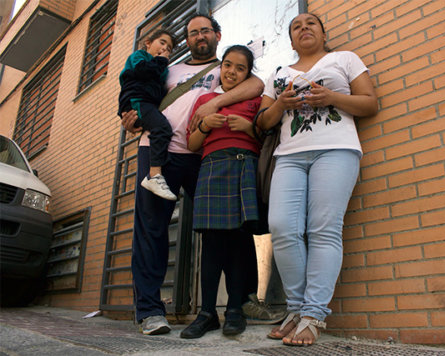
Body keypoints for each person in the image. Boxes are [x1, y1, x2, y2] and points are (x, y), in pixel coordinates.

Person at [121, 14, 264, 335]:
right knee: (151, 230)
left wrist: (215, 105)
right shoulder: (166, 69)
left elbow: (256, 84)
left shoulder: (225, 68)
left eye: (205, 31)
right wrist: (130, 116)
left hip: (204, 156)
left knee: (229, 229)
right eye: (192, 32)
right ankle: (149, 311)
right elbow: (140, 95)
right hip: (157, 154)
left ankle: (242, 301)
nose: (199, 36)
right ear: (186, 40)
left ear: (217, 34)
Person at [256, 13, 378, 346]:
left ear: (323, 33)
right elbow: (264, 121)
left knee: (324, 228)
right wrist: (281, 103)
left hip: (336, 149)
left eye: (311, 23)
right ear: (291, 40)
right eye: (296, 26)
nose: (304, 28)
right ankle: (295, 309)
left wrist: (332, 98)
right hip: (289, 156)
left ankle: (313, 315)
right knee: (282, 228)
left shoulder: (345, 59)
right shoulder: (278, 74)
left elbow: (370, 103)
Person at [180, 45, 262, 339]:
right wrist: (204, 124)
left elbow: (266, 134)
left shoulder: (255, 98)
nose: (232, 72)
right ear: (221, 67)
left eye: (240, 68)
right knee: (212, 242)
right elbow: (191, 144)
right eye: (228, 65)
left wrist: (249, 127)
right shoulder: (204, 100)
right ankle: (207, 313)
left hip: (243, 167)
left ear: (248, 73)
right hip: (212, 168)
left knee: (240, 239)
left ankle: (236, 310)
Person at [118, 29, 178, 200]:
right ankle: (154, 176)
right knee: (162, 127)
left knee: (162, 128)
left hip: (147, 104)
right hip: (136, 100)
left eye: (170, 47)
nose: (165, 48)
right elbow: (142, 72)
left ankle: (159, 173)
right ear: (148, 43)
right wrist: (161, 61)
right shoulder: (139, 56)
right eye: (162, 42)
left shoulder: (162, 69)